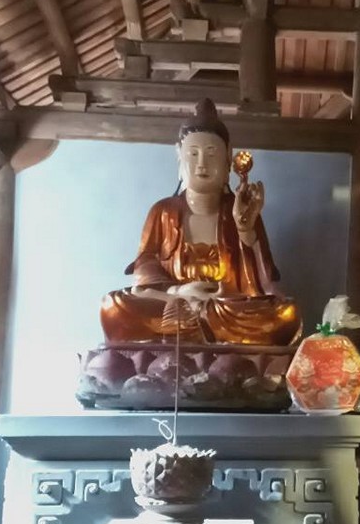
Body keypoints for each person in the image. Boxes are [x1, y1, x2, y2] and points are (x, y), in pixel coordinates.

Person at [100, 98, 301, 346]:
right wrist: (178, 293)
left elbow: (262, 285)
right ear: (179, 158)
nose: (202, 164)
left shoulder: (242, 209)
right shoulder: (162, 211)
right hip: (174, 305)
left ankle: (197, 326)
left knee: (285, 314)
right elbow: (142, 278)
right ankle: (197, 325)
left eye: (211, 154)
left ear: (228, 158)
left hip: (225, 308)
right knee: (113, 306)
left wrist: (245, 229)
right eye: (193, 154)